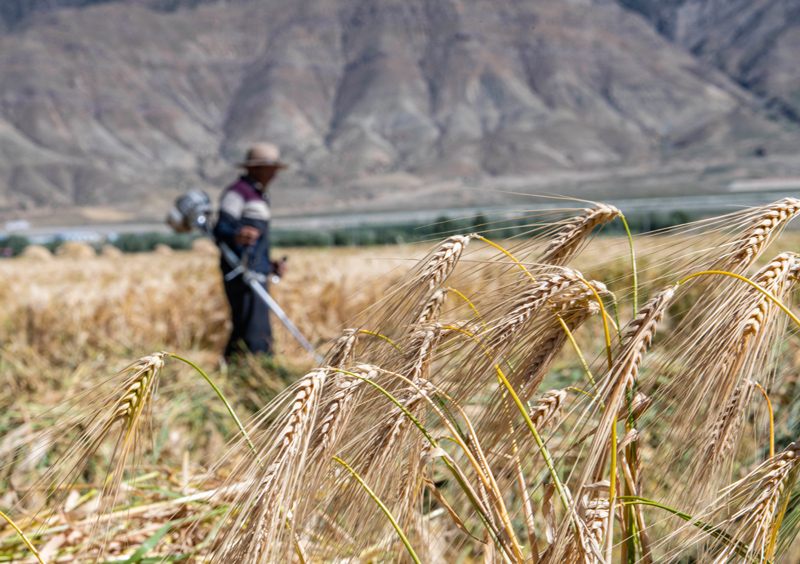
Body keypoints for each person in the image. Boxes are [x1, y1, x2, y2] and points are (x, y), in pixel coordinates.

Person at [214, 142, 287, 359]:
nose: (274, 173)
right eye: (270, 167)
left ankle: (234, 371)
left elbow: (258, 241)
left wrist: (268, 263)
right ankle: (253, 371)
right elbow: (220, 228)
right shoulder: (237, 193)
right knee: (252, 330)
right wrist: (235, 234)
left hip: (257, 270)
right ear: (254, 168)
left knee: (251, 327)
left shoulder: (258, 194)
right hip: (242, 273)